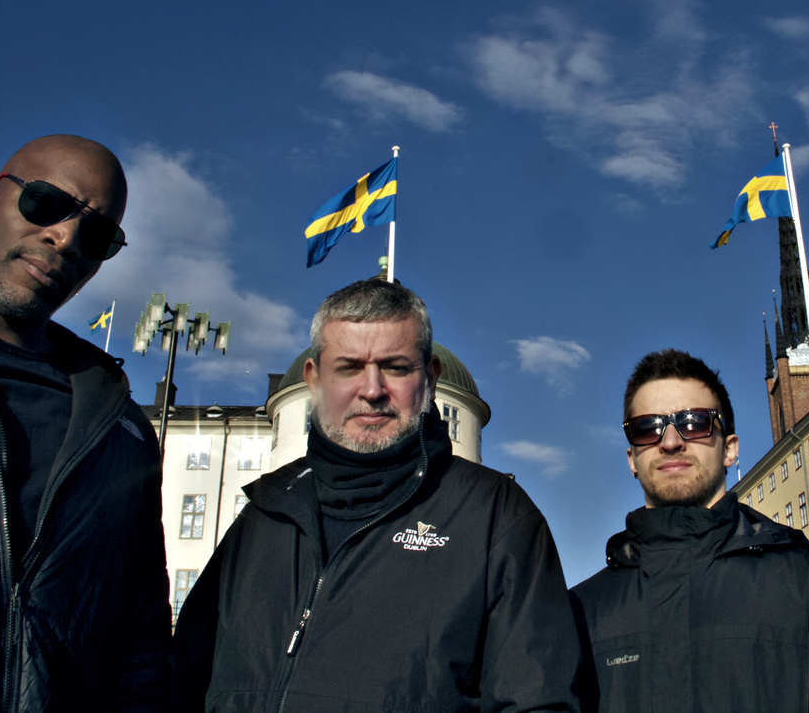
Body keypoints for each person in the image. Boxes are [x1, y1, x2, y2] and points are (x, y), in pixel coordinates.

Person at [172, 279, 581, 712]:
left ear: (431, 377)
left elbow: (538, 702)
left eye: (396, 367)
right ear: (314, 379)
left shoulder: (496, 518)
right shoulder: (264, 515)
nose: (372, 390)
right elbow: (178, 685)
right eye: (348, 367)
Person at [0, 135, 171, 710]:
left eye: (98, 235)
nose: (66, 238)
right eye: (46, 203)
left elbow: (138, 642)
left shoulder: (120, 430)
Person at [570, 349, 809, 713]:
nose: (670, 441)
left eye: (694, 422)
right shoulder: (581, 612)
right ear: (632, 459)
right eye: (648, 428)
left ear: (730, 449)